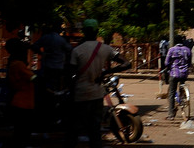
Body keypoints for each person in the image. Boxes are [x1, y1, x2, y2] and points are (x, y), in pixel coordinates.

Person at [66, 19, 131, 148]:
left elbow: (70, 76)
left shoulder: (77, 51)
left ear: (84, 32)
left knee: (73, 131)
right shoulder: (106, 49)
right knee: (94, 131)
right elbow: (127, 63)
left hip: (79, 95)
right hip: (96, 95)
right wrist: (107, 71)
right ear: (96, 31)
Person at [7, 38, 37, 147]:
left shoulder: (13, 63)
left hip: (20, 102)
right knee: (23, 131)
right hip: (23, 104)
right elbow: (33, 78)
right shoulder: (19, 65)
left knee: (19, 131)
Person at [31, 23, 72, 92]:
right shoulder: (61, 40)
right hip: (58, 67)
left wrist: (41, 53)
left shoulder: (46, 37)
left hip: (47, 66)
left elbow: (34, 46)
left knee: (47, 86)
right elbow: (69, 49)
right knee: (56, 86)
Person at [165, 34, 192, 120]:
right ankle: (182, 101)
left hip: (174, 73)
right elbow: (189, 62)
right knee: (181, 88)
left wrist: (169, 67)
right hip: (184, 74)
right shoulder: (187, 50)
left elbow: (166, 63)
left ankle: (171, 114)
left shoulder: (171, 50)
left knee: (171, 93)